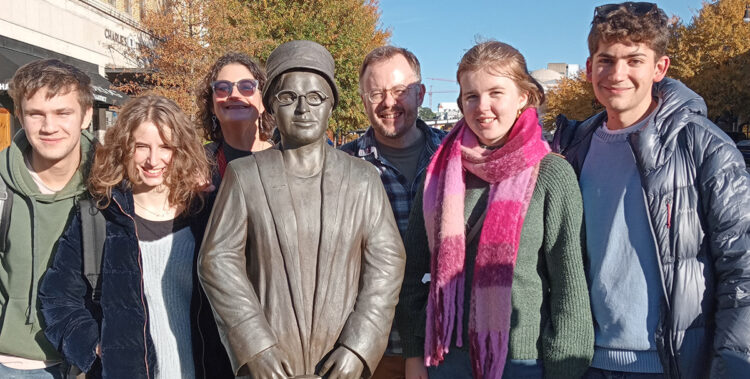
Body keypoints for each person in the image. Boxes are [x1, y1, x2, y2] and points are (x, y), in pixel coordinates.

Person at [551, 2, 750, 378]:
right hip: (582, 361)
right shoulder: (572, 148)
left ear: (660, 67)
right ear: (590, 67)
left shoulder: (704, 147)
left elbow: (742, 271)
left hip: (670, 364)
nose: (617, 73)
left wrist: (730, 370)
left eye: (634, 60)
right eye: (606, 59)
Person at [198, 40, 406, 379]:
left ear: (330, 106)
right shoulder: (245, 176)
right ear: (270, 107)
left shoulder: (363, 180)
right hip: (271, 366)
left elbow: (387, 264)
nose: (302, 109)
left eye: (315, 97)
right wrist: (255, 345)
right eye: (288, 97)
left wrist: (360, 344)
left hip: (340, 365)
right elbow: (217, 261)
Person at [399, 41, 594, 379]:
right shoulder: (441, 171)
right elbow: (414, 272)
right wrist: (414, 352)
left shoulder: (551, 173)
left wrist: (567, 368)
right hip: (447, 357)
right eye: (471, 96)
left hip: (522, 362)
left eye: (495, 93)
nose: (482, 107)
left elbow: (569, 286)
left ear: (523, 97)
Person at [39, 95, 233, 378]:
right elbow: (58, 298)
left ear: (181, 150)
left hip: (207, 369)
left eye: (165, 147)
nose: (153, 160)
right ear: (124, 149)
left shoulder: (207, 213)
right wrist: (94, 346)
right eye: (141, 146)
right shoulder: (100, 216)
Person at [339, 45, 445, 379]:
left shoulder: (456, 157)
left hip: (448, 345)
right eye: (376, 93)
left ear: (421, 93)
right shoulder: (341, 168)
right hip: (371, 352)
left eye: (400, 91)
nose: (389, 103)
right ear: (363, 101)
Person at [0, 59, 96, 378]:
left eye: (62, 113)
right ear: (20, 117)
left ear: (87, 116)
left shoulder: (111, 185)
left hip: (89, 363)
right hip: (8, 362)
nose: (49, 126)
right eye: (36, 114)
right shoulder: (2, 185)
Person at [196, 52, 273, 186]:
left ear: (263, 102)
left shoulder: (286, 159)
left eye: (247, 86)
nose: (234, 94)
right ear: (212, 106)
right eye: (222, 88)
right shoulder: (197, 163)